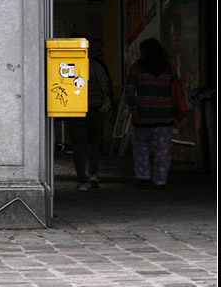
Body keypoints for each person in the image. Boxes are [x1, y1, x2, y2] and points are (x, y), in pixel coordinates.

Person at [124, 37, 176, 190]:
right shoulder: (169, 68)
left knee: (141, 146)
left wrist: (133, 108)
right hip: (165, 115)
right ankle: (160, 180)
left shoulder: (137, 67)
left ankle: (143, 177)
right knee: (163, 149)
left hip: (143, 114)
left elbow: (129, 90)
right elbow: (176, 89)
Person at [67, 35, 113, 191]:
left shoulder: (65, 65)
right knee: (93, 142)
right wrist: (106, 107)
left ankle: (81, 180)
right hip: (94, 109)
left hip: (74, 109)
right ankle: (93, 173)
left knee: (78, 145)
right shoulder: (94, 65)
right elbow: (105, 86)